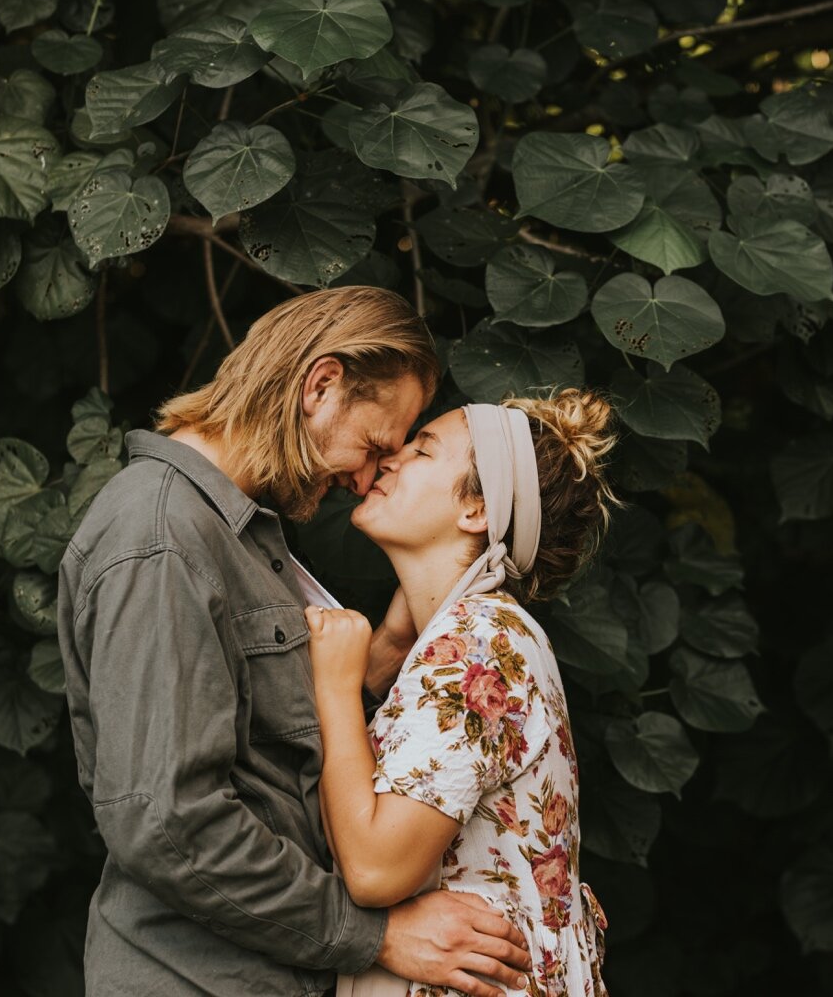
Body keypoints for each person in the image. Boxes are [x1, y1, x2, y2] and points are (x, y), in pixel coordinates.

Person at [56, 286, 534, 997]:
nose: (367, 478)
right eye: (375, 446)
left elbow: (272, 753)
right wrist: (378, 936)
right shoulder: (161, 538)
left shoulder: (243, 536)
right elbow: (167, 822)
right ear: (321, 386)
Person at [304, 389, 618, 997]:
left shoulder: (480, 645)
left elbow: (374, 869)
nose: (391, 456)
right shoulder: (480, 635)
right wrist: (384, 655)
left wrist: (336, 688)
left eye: (423, 450)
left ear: (476, 509)